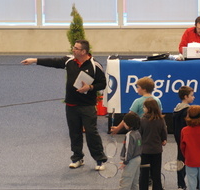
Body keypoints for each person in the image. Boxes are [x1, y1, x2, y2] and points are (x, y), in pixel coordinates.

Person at [21, 39, 107, 170]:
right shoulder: (69, 61)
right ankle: (77, 158)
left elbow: (102, 84)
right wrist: (34, 60)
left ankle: (99, 160)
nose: (73, 49)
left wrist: (89, 87)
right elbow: (53, 62)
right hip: (71, 105)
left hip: (87, 106)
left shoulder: (95, 65)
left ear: (84, 51)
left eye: (76, 48)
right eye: (74, 47)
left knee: (91, 133)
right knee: (74, 133)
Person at [180, 105, 200, 190]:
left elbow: (182, 147)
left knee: (191, 184)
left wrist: (187, 156)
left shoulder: (184, 130)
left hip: (190, 161)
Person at [139, 98, 167, 190]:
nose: (143, 108)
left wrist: (139, 145)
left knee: (144, 174)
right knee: (156, 173)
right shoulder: (161, 120)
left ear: (148, 108)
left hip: (145, 151)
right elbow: (164, 133)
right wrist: (163, 140)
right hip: (157, 151)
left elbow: (139, 135)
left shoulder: (142, 120)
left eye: (144, 107)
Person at [172, 86, 195, 190]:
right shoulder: (187, 110)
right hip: (186, 139)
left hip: (178, 138)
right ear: (185, 96)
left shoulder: (177, 109)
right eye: (192, 95)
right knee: (188, 160)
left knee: (180, 159)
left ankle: (181, 183)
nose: (193, 97)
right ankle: (186, 183)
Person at [119, 112, 142, 190]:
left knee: (125, 182)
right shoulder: (138, 133)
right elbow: (139, 146)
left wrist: (125, 162)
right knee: (134, 183)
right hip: (138, 158)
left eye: (124, 122)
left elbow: (129, 149)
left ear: (128, 124)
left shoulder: (129, 135)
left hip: (131, 161)